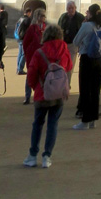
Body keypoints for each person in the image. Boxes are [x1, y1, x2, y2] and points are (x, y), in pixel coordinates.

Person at [23, 23, 72, 168]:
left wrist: (35, 87)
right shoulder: (64, 50)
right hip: (58, 92)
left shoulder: (40, 52)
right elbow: (68, 67)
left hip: (42, 91)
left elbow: (31, 73)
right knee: (53, 124)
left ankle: (33, 155)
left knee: (37, 124)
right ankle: (47, 156)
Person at [72, 5, 101, 130]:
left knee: (85, 90)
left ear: (90, 14)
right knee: (95, 91)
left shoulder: (87, 25)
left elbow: (76, 41)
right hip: (98, 59)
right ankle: (93, 119)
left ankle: (85, 120)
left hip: (87, 58)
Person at [21, 8, 47, 104]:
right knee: (30, 74)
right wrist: (27, 52)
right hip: (32, 55)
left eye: (45, 15)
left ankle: (40, 95)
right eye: (43, 16)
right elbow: (25, 42)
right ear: (38, 16)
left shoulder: (45, 27)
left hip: (42, 55)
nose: (44, 17)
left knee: (42, 75)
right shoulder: (32, 28)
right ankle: (27, 96)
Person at [58, 1, 84, 82]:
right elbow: (58, 28)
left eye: (72, 8)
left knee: (70, 66)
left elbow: (83, 31)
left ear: (75, 8)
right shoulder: (63, 17)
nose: (71, 10)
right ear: (67, 9)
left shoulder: (80, 17)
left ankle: (67, 84)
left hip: (74, 44)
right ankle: (62, 83)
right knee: (62, 65)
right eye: (69, 8)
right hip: (63, 44)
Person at [15, 8, 32, 75]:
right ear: (28, 12)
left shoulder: (20, 18)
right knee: (24, 54)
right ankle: (20, 69)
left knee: (20, 53)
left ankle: (18, 68)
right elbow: (29, 29)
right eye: (30, 13)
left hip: (19, 37)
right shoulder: (27, 19)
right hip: (23, 37)